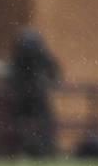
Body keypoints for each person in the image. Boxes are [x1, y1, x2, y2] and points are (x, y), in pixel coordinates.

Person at [7, 28, 61, 157]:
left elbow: (53, 71)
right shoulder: (31, 56)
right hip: (27, 96)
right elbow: (53, 71)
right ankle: (33, 148)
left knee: (38, 122)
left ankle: (39, 148)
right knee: (29, 122)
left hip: (33, 96)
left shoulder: (34, 56)